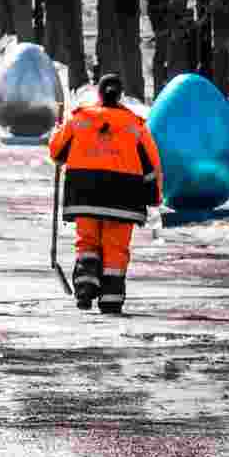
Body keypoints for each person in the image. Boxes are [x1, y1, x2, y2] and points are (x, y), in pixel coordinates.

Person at [49, 73, 164, 314]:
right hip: (124, 197)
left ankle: (85, 288)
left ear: (99, 94)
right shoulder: (136, 126)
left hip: (84, 193)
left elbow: (57, 152)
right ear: (120, 95)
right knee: (116, 248)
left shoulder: (80, 119)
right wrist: (154, 196)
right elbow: (152, 165)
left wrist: (59, 130)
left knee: (87, 242)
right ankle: (111, 299)